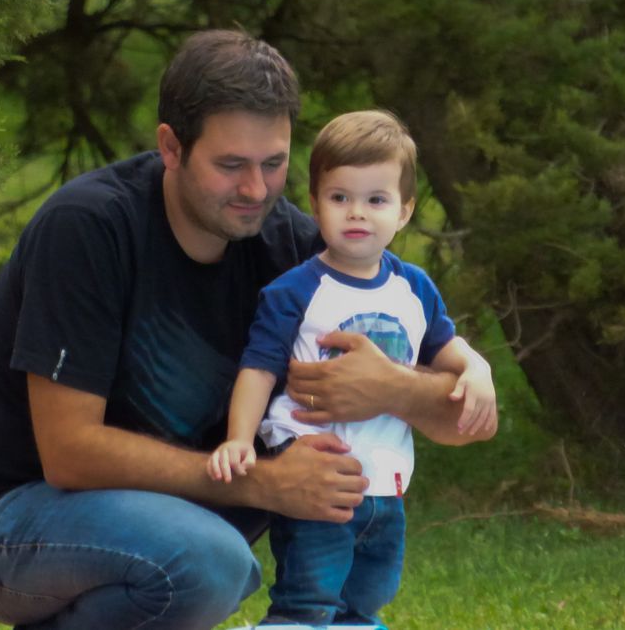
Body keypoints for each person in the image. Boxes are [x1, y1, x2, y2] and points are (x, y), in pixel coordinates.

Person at [0, 31, 493, 630]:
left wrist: (398, 387)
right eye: (230, 165)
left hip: (179, 518)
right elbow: (69, 454)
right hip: (5, 518)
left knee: (211, 558)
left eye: (274, 164)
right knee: (209, 563)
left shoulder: (296, 253)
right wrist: (265, 484)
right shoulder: (89, 228)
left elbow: (468, 419)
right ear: (171, 146)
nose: (255, 189)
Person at [207, 109, 498, 627]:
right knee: (309, 603)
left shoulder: (414, 289)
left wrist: (477, 369)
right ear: (316, 204)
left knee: (367, 598)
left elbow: (446, 348)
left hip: (386, 485)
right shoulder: (296, 289)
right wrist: (240, 438)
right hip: (318, 480)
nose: (357, 213)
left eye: (376, 200)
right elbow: (258, 368)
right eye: (340, 198)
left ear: (405, 211)